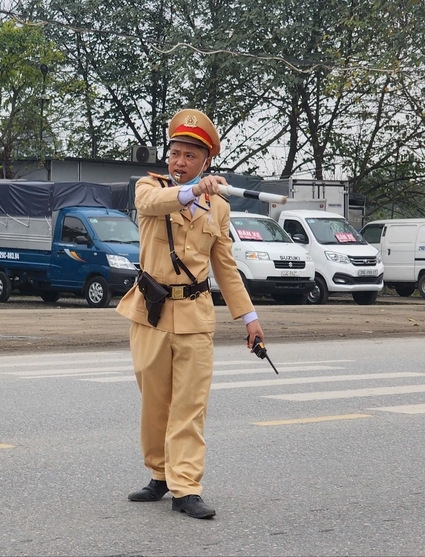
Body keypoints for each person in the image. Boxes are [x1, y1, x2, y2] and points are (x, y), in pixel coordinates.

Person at [116, 108, 265, 519]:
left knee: (189, 405)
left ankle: (186, 486)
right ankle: (159, 475)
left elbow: (226, 267)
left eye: (189, 155)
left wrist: (249, 318)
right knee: (155, 404)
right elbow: (155, 203)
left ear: (206, 161)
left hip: (196, 314)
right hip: (152, 311)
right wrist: (194, 190)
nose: (179, 161)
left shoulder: (218, 207)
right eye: (175, 152)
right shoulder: (151, 188)